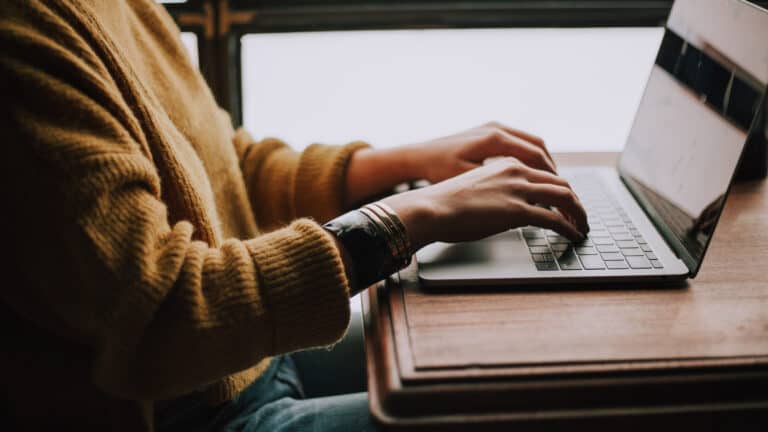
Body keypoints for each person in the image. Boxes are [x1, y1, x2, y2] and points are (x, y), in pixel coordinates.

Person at [0, 0, 588, 430]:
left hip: (248, 359)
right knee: (537, 414)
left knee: (523, 364)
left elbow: (226, 165)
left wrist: (408, 162)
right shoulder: (23, 35)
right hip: (183, 411)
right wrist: (409, 216)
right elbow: (163, 312)